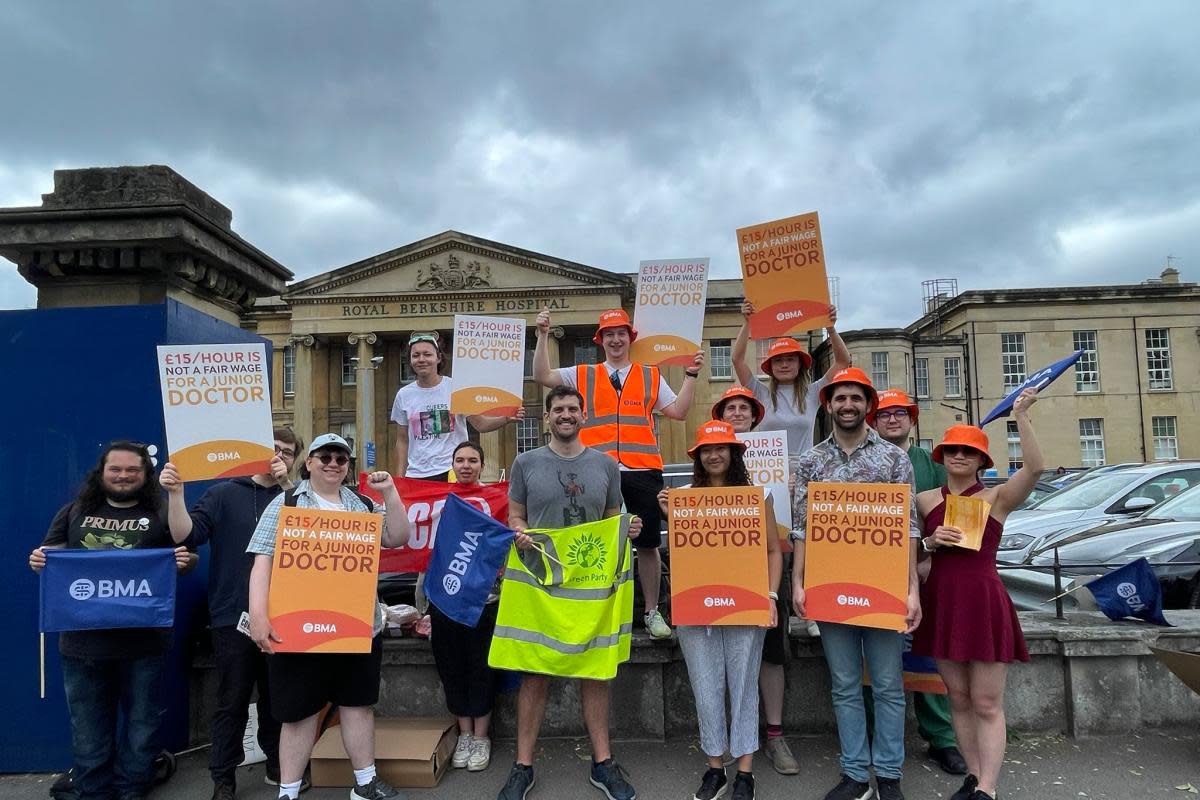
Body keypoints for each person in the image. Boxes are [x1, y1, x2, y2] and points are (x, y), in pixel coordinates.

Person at [246, 433, 412, 800]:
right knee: (298, 714)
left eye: (341, 459)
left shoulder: (364, 504)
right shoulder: (286, 502)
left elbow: (399, 536)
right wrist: (259, 616)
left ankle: (365, 784)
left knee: (357, 706)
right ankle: (288, 791)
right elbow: (262, 561)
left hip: (356, 627)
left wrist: (391, 494)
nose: (333, 464)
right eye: (325, 457)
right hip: (298, 628)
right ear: (309, 462)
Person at [28, 441, 194, 800]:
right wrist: (40, 561)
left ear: (144, 474)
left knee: (142, 725)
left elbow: (188, 552)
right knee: (88, 728)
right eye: (115, 469)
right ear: (101, 473)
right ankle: (92, 792)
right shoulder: (73, 512)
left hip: (145, 643)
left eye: (132, 470)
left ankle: (132, 790)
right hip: (82, 644)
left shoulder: (161, 514)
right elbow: (51, 556)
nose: (123, 476)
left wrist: (182, 562)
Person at [496, 386, 640, 800]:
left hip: (590, 586)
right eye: (557, 409)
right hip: (542, 583)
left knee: (595, 672)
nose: (565, 415)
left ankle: (603, 762)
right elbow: (517, 514)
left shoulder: (607, 466)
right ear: (546, 418)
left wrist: (627, 529)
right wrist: (519, 531)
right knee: (535, 672)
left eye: (572, 409)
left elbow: (614, 518)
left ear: (583, 416)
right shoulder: (525, 462)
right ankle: (523, 766)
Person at [790, 368, 921, 800]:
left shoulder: (893, 459)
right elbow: (802, 529)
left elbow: (908, 529)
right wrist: (799, 584)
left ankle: (887, 775)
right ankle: (853, 774)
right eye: (840, 398)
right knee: (844, 684)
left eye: (855, 398)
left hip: (882, 589)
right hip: (830, 587)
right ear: (828, 404)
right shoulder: (811, 461)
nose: (848, 405)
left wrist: (912, 590)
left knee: (887, 685)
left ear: (868, 404)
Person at [533, 307, 701, 640]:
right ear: (600, 340)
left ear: (630, 338)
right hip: (594, 469)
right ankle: (593, 608)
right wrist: (541, 335)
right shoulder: (583, 373)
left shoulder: (651, 375)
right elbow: (542, 375)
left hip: (643, 469)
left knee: (649, 543)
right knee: (592, 542)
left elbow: (679, 412)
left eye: (621, 333)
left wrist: (692, 376)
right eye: (608, 334)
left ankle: (652, 611)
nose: (615, 339)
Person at [912, 390, 1042, 800]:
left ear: (982, 460)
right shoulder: (924, 500)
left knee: (986, 701)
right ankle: (972, 775)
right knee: (960, 697)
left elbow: (1036, 468)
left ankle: (988, 787)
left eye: (969, 452)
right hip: (943, 599)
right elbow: (912, 556)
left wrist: (1019, 415)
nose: (959, 457)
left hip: (983, 599)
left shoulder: (997, 497)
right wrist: (931, 542)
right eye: (952, 450)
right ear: (942, 456)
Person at [158, 428, 301, 800]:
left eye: (288, 452)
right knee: (231, 700)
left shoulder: (298, 498)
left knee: (279, 698)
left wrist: (289, 487)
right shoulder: (223, 493)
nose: (280, 456)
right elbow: (185, 536)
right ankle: (223, 777)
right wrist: (175, 494)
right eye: (275, 449)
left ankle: (277, 766)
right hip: (230, 614)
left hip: (286, 615)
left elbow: (313, 531)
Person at [657, 420, 782, 800]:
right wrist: (669, 516)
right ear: (697, 457)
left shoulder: (756, 498)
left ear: (733, 454)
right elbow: (681, 551)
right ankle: (716, 769)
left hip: (747, 604)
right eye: (706, 450)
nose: (714, 455)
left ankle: (744, 772)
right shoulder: (683, 498)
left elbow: (774, 551)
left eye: (721, 448)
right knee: (706, 689)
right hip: (698, 606)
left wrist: (772, 597)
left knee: (743, 685)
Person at [866, 389, 967, 777]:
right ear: (874, 421)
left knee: (928, 660)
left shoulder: (934, 465)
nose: (892, 420)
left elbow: (955, 515)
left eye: (900, 414)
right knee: (872, 665)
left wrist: (929, 557)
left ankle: (941, 738)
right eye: (885, 414)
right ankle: (878, 740)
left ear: (913, 420)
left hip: (925, 578)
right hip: (873, 578)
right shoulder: (867, 463)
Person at [710, 385, 799, 776]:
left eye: (744, 407)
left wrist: (794, 492)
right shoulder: (709, 453)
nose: (738, 413)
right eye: (730, 407)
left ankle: (774, 734)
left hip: (767, 564)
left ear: (754, 414)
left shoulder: (774, 451)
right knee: (724, 655)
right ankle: (727, 736)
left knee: (770, 653)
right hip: (720, 571)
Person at [431, 441, 501, 774]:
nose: (466, 465)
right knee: (452, 667)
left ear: (482, 464)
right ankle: (465, 734)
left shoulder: (497, 498)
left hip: (485, 600)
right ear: (452, 464)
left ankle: (482, 737)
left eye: (473, 460)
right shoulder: (436, 501)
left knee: (482, 667)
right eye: (460, 459)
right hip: (445, 600)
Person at [391, 331, 521, 480]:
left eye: (427, 354)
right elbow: (402, 440)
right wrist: (400, 479)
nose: (421, 359)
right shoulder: (404, 395)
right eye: (416, 355)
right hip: (417, 475)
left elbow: (480, 424)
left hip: (452, 472)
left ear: (438, 358)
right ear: (410, 360)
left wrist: (506, 418)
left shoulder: (455, 387)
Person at [731, 301, 850, 463]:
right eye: (778, 360)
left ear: (800, 364)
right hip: (770, 472)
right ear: (770, 367)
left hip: (804, 472)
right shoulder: (760, 393)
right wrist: (747, 322)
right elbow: (737, 360)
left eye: (790, 359)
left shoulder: (814, 393)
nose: (784, 364)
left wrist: (830, 328)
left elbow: (843, 361)